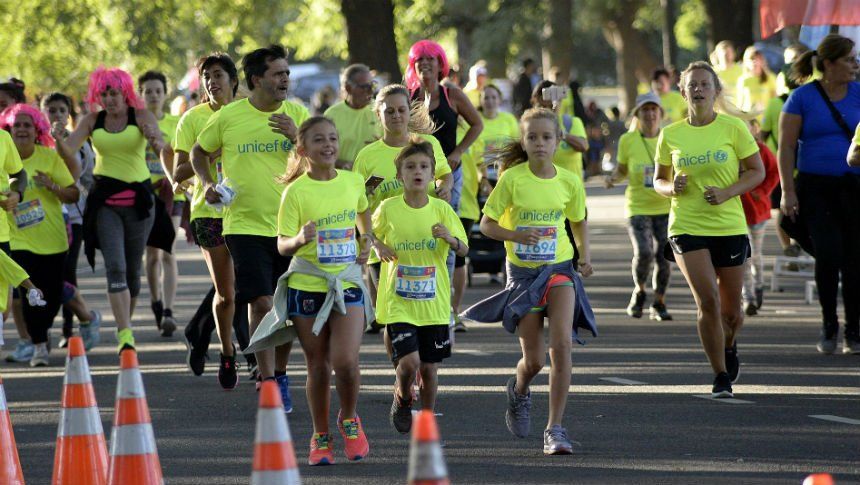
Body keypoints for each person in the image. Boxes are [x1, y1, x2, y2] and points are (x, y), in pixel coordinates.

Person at [461, 107, 596, 455]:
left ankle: (555, 429)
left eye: (546, 137)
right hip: (522, 273)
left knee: (562, 345)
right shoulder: (513, 179)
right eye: (532, 137)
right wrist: (517, 235)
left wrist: (584, 255)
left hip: (560, 270)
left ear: (557, 141)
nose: (539, 143)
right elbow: (488, 224)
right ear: (524, 140)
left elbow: (578, 220)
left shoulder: (568, 181)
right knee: (534, 360)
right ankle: (520, 388)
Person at [193, 45, 309, 404]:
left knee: (285, 307)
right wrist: (209, 183)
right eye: (278, 74)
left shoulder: (298, 114)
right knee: (259, 301)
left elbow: (319, 164)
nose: (285, 79)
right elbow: (199, 153)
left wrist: (297, 137)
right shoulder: (229, 117)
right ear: (257, 79)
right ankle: (268, 378)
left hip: (288, 225)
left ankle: (283, 374)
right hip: (242, 225)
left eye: (287, 73)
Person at [654, 61, 764, 398]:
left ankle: (729, 346)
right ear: (683, 92)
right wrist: (672, 188)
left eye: (705, 84)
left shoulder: (733, 128)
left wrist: (728, 191)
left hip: (728, 225)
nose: (699, 90)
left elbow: (756, 171)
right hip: (687, 226)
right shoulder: (670, 134)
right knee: (708, 302)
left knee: (731, 312)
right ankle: (719, 375)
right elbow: (658, 180)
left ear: (715, 91)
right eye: (693, 85)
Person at [274, 117, 373, 465]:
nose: (328, 145)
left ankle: (348, 418)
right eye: (319, 140)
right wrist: (300, 239)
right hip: (307, 284)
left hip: (345, 281)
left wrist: (367, 240)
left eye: (333, 137)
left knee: (345, 361)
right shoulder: (296, 191)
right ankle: (320, 436)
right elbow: (282, 245)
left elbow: (363, 213)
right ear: (303, 149)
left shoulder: (352, 181)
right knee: (317, 365)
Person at [53, 67, 169, 354]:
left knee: (132, 271)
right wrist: (58, 139)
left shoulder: (141, 116)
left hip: (140, 202)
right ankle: (125, 334)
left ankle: (125, 323)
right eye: (104, 94)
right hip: (105, 202)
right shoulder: (93, 120)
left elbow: (163, 148)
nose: (109, 99)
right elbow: (70, 150)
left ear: (125, 93)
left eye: (114, 93)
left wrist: (156, 139)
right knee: (114, 267)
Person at [371, 139, 467, 434]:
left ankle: (426, 423)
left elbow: (464, 248)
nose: (418, 172)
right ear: (399, 175)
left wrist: (450, 240)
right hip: (399, 300)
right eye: (410, 167)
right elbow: (367, 234)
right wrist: (377, 247)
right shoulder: (388, 208)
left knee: (429, 368)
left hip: (433, 303)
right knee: (410, 362)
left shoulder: (441, 209)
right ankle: (402, 395)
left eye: (424, 167)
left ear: (431, 174)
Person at [171, 52, 251, 386]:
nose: (212, 82)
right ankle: (229, 352)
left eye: (218, 75)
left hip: (249, 209)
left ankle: (251, 354)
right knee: (228, 292)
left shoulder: (251, 113)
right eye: (207, 76)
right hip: (209, 211)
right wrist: (210, 154)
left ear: (234, 80)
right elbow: (177, 172)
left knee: (250, 286)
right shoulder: (192, 119)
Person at [778, 34, 860, 355]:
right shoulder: (802, 98)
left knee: (855, 260)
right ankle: (829, 324)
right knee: (827, 254)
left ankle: (854, 329)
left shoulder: (859, 94)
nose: (855, 65)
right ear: (828, 64)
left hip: (854, 189)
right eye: (849, 59)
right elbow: (785, 147)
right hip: (815, 188)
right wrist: (787, 191)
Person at [353, 84, 452, 334]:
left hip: (424, 243)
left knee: (424, 315)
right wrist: (372, 242)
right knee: (391, 318)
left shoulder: (426, 143)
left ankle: (417, 366)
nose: (396, 116)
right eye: (389, 112)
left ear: (410, 111)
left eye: (401, 110)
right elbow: (358, 204)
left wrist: (444, 187)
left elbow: (444, 174)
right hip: (386, 249)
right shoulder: (367, 156)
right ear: (379, 115)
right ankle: (403, 369)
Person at [2, 104, 79, 366]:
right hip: (19, 239)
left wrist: (52, 186)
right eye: (16, 125)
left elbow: (74, 193)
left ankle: (41, 335)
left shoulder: (48, 157)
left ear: (36, 130)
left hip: (53, 239)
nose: (21, 129)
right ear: (9, 130)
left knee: (52, 295)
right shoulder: (3, 157)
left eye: (27, 125)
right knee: (26, 294)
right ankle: (38, 345)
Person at [451, 84, 519, 331]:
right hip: (440, 198)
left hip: (468, 200)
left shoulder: (477, 129)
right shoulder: (442, 130)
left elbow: (483, 161)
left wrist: (487, 181)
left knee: (459, 256)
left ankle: (454, 312)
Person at [41, 93, 102, 350]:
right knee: (43, 275)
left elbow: (89, 179)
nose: (56, 115)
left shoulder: (81, 144)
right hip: (42, 220)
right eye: (51, 110)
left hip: (74, 216)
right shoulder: (38, 144)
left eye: (61, 111)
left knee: (67, 272)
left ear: (69, 115)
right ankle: (41, 332)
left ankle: (70, 328)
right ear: (43, 114)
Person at [605, 92, 673, 321]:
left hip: (665, 206)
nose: (650, 114)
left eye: (654, 109)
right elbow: (622, 169)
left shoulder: (670, 138)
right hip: (638, 206)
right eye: (645, 110)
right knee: (644, 252)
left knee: (664, 256)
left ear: (661, 113)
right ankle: (640, 290)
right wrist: (613, 178)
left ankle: (659, 301)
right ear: (637, 114)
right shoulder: (628, 140)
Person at [406, 40, 483, 216]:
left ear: (440, 64)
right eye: (419, 59)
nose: (424, 63)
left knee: (446, 222)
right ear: (413, 65)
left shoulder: (452, 95)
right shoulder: (406, 97)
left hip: (448, 170)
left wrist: (458, 152)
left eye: (430, 58)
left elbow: (477, 124)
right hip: (414, 171)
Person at [138, 70, 181, 337]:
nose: (153, 95)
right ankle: (155, 301)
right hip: (144, 194)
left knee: (167, 250)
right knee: (151, 255)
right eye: (148, 91)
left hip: (173, 194)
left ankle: (168, 310)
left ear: (166, 94)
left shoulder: (176, 123)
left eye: (158, 90)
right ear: (141, 95)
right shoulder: (137, 124)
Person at [740, 124, 780, 316]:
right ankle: (748, 297)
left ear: (755, 129)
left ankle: (758, 287)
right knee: (744, 256)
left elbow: (774, 172)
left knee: (755, 255)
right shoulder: (729, 149)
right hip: (736, 212)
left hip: (757, 212)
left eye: (748, 127)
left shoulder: (761, 150)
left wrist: (762, 191)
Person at [0, 121, 29, 363]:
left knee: (3, 311)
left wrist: (16, 193)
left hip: (1, 234)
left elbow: (18, 174)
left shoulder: (3, 138)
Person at [324, 64, 381, 170]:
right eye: (364, 87)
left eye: (372, 85)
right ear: (348, 88)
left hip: (375, 178)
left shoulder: (380, 109)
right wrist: (342, 164)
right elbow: (321, 152)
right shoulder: (331, 115)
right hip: (344, 179)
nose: (370, 91)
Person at [530, 81, 588, 180]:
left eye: (548, 106)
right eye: (540, 106)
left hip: (571, 189)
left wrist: (562, 134)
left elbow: (583, 146)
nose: (544, 109)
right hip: (543, 187)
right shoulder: (530, 126)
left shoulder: (571, 122)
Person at [736, 46, 776, 115]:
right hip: (750, 120)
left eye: (757, 59)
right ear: (745, 62)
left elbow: (775, 101)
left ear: (762, 61)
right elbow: (740, 104)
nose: (754, 62)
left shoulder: (770, 77)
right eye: (751, 59)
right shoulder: (742, 80)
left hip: (766, 118)